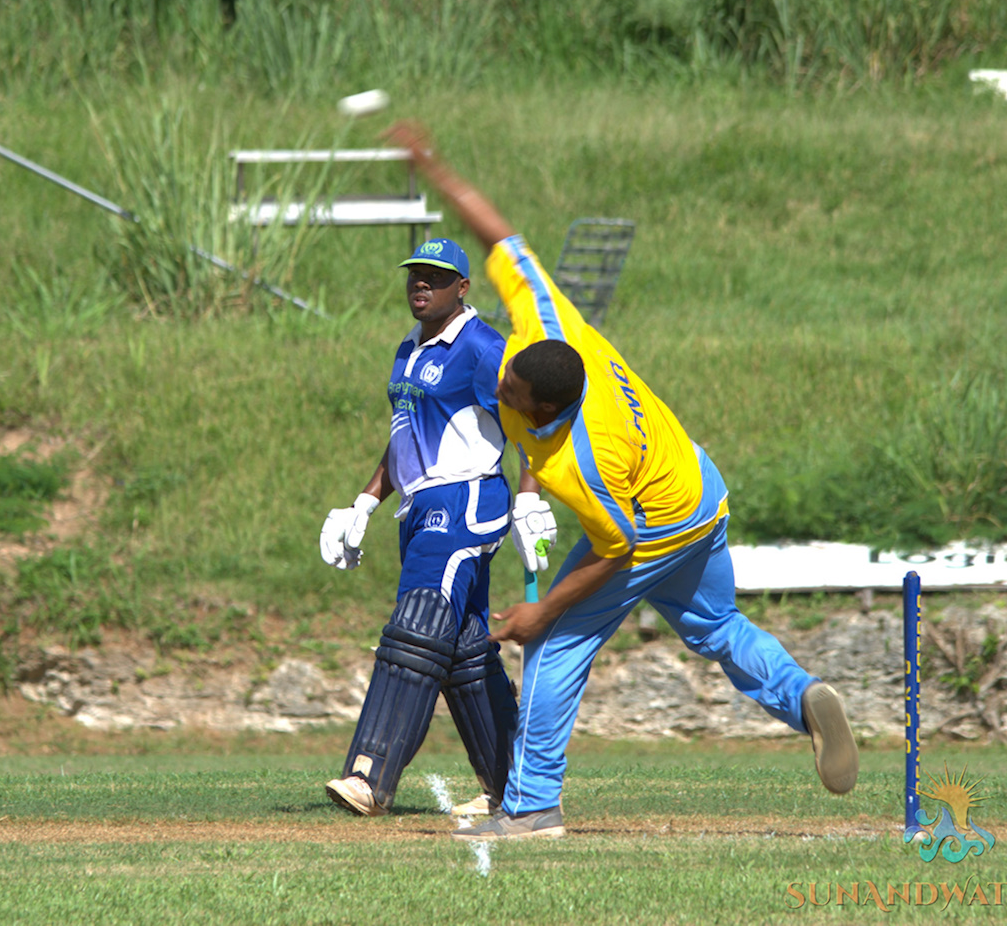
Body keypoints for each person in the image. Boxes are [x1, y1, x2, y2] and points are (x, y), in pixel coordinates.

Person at [380, 123, 858, 842]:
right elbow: (500, 237)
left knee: (558, 645)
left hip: (650, 520)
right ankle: (804, 693)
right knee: (720, 627)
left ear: (545, 412)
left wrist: (543, 613)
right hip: (703, 489)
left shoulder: (583, 460)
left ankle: (535, 804)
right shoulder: (546, 324)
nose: (496, 382)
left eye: (506, 391)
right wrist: (434, 167)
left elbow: (617, 546)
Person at [318, 238, 557, 818]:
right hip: (420, 507)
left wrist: (529, 497)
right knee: (464, 650)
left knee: (416, 628)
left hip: (466, 500)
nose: (421, 284)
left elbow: (536, 418)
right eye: (415, 275)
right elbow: (405, 432)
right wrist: (365, 503)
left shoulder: (481, 347)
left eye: (437, 277)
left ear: (463, 288)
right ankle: (513, 786)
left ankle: (369, 774)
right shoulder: (408, 347)